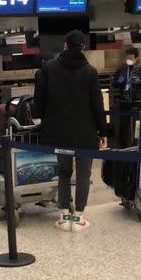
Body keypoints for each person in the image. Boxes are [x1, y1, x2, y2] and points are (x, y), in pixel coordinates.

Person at [34, 30, 107, 232]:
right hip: (86, 133)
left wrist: (44, 119)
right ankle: (80, 218)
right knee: (84, 174)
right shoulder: (90, 72)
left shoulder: (48, 69)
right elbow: (97, 105)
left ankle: (64, 217)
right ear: (82, 48)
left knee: (64, 173)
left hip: (57, 132)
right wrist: (103, 131)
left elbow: (38, 104)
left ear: (65, 45)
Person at [110, 47, 141, 148]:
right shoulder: (122, 68)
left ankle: (138, 146)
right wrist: (118, 81)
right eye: (127, 58)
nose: (129, 60)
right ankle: (123, 147)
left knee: (138, 126)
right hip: (124, 101)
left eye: (131, 58)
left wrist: (140, 82)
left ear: (136, 58)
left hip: (138, 101)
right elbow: (114, 83)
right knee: (123, 126)